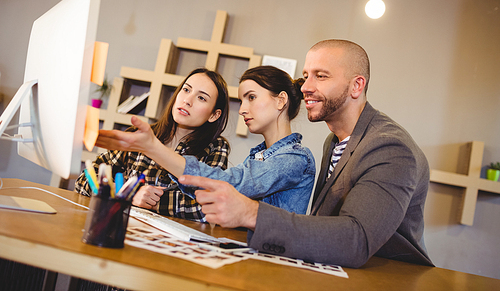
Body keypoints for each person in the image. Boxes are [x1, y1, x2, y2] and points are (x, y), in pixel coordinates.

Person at [176, 39, 434, 268]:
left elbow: (356, 240)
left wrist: (250, 213)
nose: (305, 87)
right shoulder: (332, 141)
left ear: (357, 86)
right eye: (306, 75)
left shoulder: (389, 147)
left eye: (320, 76)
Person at [95, 65, 316, 215]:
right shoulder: (259, 157)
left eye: (251, 97)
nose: (242, 110)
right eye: (242, 100)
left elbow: (226, 186)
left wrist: (153, 149)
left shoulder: (293, 158)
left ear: (281, 101)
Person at [75, 68, 230, 222]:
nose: (187, 100)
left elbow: (210, 206)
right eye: (186, 90)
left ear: (214, 115)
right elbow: (85, 179)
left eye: (201, 98)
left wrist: (155, 202)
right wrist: (131, 194)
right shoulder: (141, 135)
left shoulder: (216, 147)